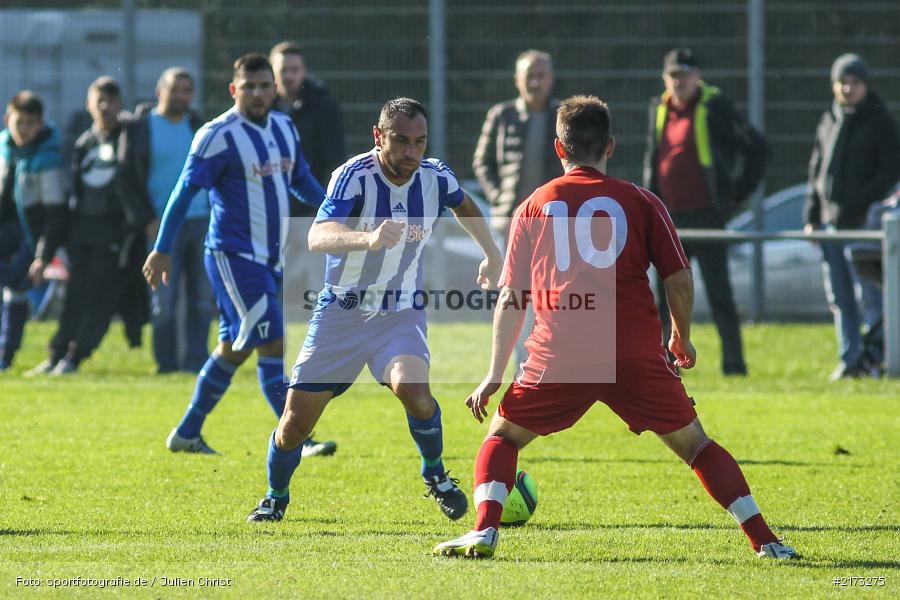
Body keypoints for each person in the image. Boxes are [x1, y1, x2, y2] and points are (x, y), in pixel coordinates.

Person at [433, 95, 797, 560]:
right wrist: (680, 336)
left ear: (558, 149)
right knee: (696, 446)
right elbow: (679, 280)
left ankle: (484, 530)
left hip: (559, 354)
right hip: (633, 353)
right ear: (610, 146)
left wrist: (494, 372)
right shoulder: (643, 202)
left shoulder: (533, 206)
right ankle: (765, 539)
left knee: (502, 439)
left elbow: (512, 297)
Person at [245, 97, 503, 523]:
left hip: (398, 314)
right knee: (293, 425)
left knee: (416, 394)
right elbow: (318, 235)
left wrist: (492, 255)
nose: (411, 153)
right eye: (401, 141)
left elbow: (464, 204)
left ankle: (436, 475)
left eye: (420, 142)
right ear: (378, 135)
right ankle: (275, 496)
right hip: (339, 315)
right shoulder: (353, 176)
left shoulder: (435, 177)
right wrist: (366, 239)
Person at [143, 54, 327, 454]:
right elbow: (183, 192)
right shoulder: (216, 135)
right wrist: (162, 247)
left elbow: (301, 180)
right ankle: (298, 437)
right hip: (232, 256)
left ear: (274, 88)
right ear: (234, 89)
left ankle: (187, 432)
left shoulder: (283, 126)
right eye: (249, 87)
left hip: (272, 257)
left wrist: (334, 210)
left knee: (234, 347)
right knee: (274, 340)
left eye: (265, 86)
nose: (258, 94)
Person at [644, 47, 766, 376]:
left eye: (684, 75)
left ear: (697, 77)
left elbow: (756, 148)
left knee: (719, 295)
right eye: (673, 76)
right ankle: (665, 365)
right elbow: (653, 160)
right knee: (664, 298)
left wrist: (734, 196)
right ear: (665, 78)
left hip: (707, 217)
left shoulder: (716, 107)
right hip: (669, 221)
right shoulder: (660, 108)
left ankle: (734, 367)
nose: (679, 82)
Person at [27, 77, 154, 376]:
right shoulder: (85, 142)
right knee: (75, 294)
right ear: (88, 105)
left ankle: (76, 357)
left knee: (101, 297)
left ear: (120, 104)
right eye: (99, 100)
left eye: (111, 100)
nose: (105, 107)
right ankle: (56, 354)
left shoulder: (129, 137)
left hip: (115, 232)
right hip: (82, 230)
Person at [804, 53, 900, 381]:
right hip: (830, 225)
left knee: (869, 294)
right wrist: (812, 215)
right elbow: (816, 171)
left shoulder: (880, 120)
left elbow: (888, 171)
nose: (847, 88)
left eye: (854, 82)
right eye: (842, 81)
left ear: (865, 85)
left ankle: (876, 358)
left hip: (863, 226)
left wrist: (860, 205)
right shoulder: (828, 119)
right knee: (840, 297)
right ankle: (851, 359)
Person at [120, 67, 214, 374]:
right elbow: (126, 179)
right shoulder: (140, 128)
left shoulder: (200, 127)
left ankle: (196, 363)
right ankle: (166, 364)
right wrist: (144, 219)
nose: (181, 95)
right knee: (163, 300)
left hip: (203, 221)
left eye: (187, 90)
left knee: (201, 298)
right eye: (175, 89)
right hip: (161, 226)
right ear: (160, 91)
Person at [473, 49, 562, 363]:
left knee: (551, 295)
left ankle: (543, 358)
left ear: (552, 78)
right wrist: (498, 197)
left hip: (553, 222)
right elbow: (482, 163)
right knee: (511, 295)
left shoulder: (562, 116)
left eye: (541, 75)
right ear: (517, 80)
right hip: (510, 221)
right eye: (529, 76)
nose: (535, 82)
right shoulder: (502, 114)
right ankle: (513, 362)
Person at [0, 91, 66, 370]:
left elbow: (54, 216)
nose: (23, 129)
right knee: (13, 286)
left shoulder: (48, 157)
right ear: (8, 120)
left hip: (33, 234)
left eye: (30, 123)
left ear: (40, 124)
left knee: (17, 285)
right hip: (8, 228)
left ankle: (6, 355)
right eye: (19, 122)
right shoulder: (4, 147)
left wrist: (43, 255)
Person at [269, 42, 346, 196]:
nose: (289, 76)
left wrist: (325, 202)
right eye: (283, 70)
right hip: (271, 199)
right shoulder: (262, 108)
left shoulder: (322, 105)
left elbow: (334, 157)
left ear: (304, 71)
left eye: (295, 70)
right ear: (272, 72)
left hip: (311, 200)